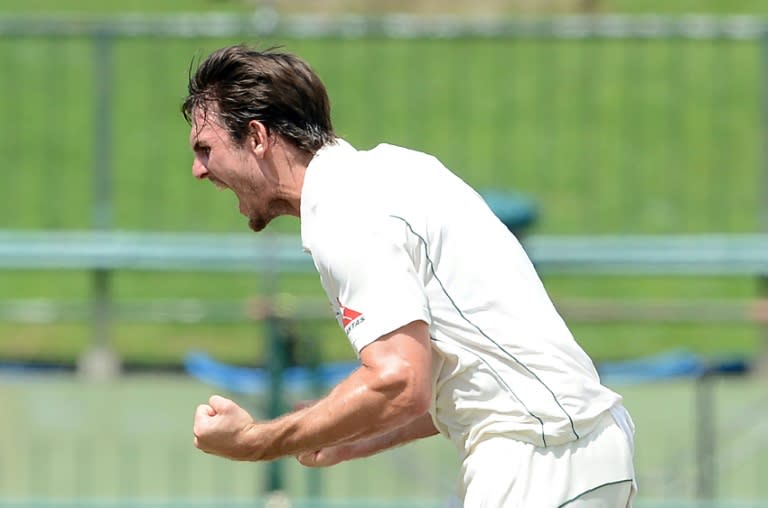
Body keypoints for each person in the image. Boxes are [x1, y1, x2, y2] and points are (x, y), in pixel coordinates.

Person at [183, 44, 637, 507]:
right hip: (584, 452)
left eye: (205, 149)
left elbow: (399, 380)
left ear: (256, 138)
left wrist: (256, 441)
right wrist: (349, 433)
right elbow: (450, 375)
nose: (198, 170)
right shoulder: (393, 170)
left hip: (539, 460)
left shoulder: (343, 212)